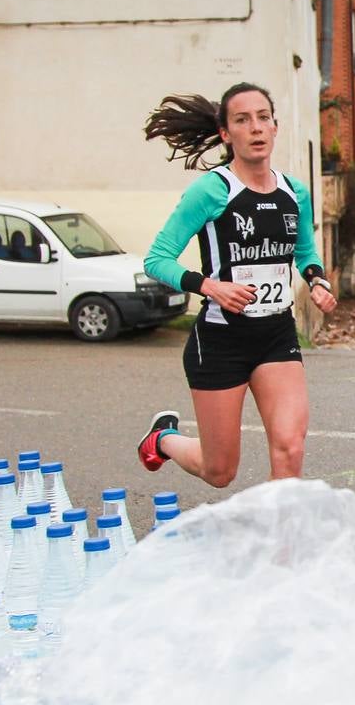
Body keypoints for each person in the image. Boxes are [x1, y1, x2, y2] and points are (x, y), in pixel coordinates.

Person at [137, 82, 337, 487]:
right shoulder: (212, 190)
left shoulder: (294, 192)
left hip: (276, 335)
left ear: (275, 127)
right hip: (220, 341)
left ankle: (278, 549)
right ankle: (163, 439)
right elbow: (156, 260)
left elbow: (305, 254)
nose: (256, 128)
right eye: (243, 120)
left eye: (264, 118)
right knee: (219, 471)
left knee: (290, 447)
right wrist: (211, 286)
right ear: (227, 134)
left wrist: (317, 281)